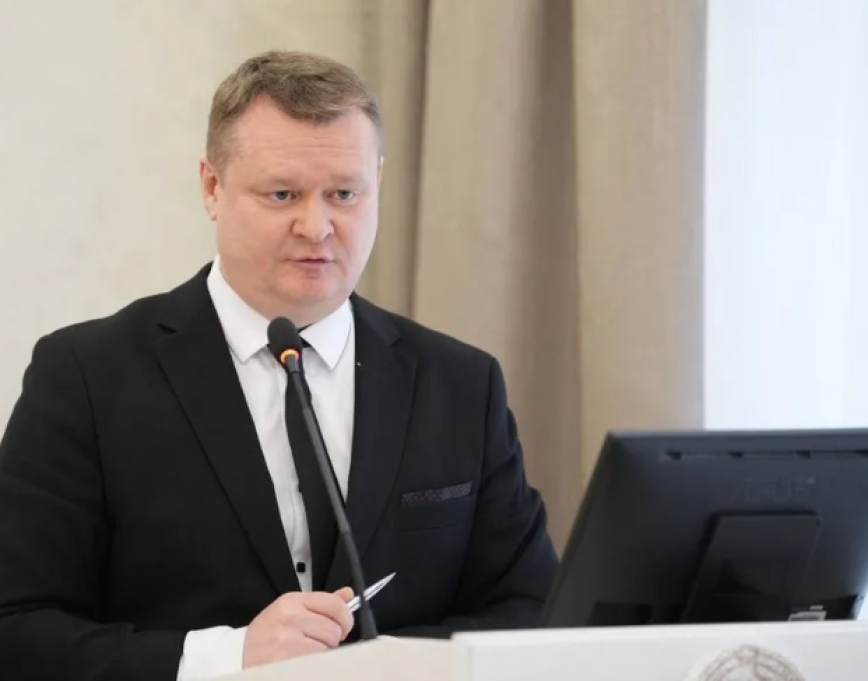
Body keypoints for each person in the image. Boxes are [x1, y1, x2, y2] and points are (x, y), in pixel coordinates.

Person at [0, 51, 558, 681]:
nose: (316, 227)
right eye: (282, 194)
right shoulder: (85, 377)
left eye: (344, 194)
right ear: (212, 187)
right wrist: (228, 657)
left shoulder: (461, 383)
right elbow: (16, 630)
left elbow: (531, 610)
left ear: (377, 182)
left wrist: (385, 666)